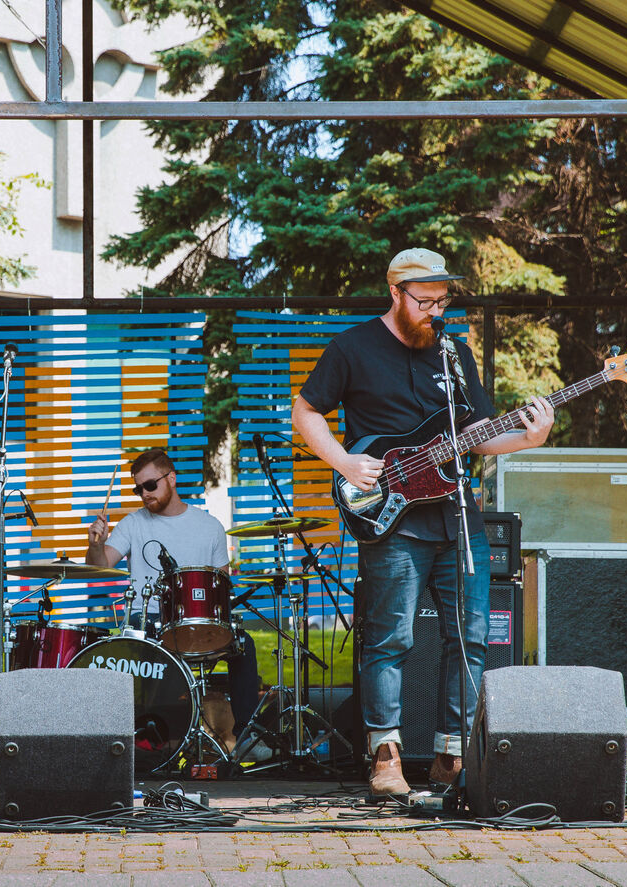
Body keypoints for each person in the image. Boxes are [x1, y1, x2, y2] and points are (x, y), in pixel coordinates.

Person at [291, 248, 553, 795]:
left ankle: (451, 757)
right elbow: (306, 411)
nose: (435, 310)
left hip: (459, 517)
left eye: (442, 300)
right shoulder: (353, 347)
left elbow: (480, 432)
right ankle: (385, 754)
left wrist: (529, 438)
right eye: (424, 301)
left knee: (472, 638)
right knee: (392, 637)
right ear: (395, 293)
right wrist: (342, 460)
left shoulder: (456, 351)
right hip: (393, 520)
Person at [84, 448, 267, 761]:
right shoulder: (133, 523)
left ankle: (247, 737)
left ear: (171, 479)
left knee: (243, 644)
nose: (144, 494)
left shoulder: (209, 525)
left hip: (200, 622)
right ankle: (149, 743)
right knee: (134, 644)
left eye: (150, 485)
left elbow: (221, 586)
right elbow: (98, 567)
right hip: (149, 621)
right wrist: (95, 544)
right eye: (138, 488)